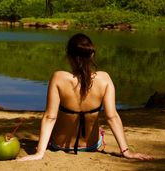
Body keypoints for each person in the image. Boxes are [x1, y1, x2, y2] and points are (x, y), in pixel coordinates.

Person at [18, 33, 153, 161]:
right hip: (91, 145)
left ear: (69, 56)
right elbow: (112, 117)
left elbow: (50, 117)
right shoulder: (104, 79)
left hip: (59, 145)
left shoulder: (59, 78)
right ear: (92, 55)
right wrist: (126, 152)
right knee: (98, 127)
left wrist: (39, 153)